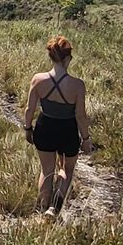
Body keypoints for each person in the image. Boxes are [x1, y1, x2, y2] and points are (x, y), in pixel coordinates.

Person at [22, 35, 93, 215]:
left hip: (45, 127)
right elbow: (80, 115)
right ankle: (55, 207)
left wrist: (27, 129)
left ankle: (43, 208)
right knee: (67, 170)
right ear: (68, 58)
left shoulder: (38, 79)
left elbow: (29, 109)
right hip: (68, 130)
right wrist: (85, 139)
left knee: (46, 170)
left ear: (51, 57)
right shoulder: (77, 85)